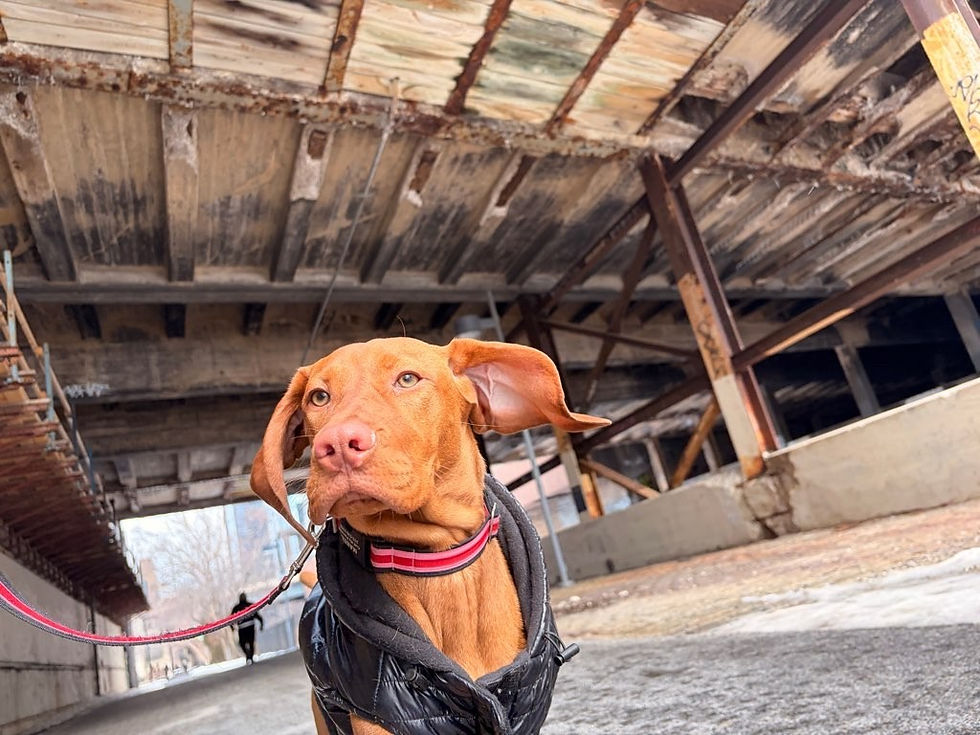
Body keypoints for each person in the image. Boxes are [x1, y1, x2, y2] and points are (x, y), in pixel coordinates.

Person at [231, 592, 264, 664]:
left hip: (245, 628)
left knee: (246, 643)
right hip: (246, 628)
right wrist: (261, 624)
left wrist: (232, 628)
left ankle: (249, 657)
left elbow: (231, 619)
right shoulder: (247, 606)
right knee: (247, 643)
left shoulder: (239, 607)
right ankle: (249, 656)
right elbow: (258, 616)